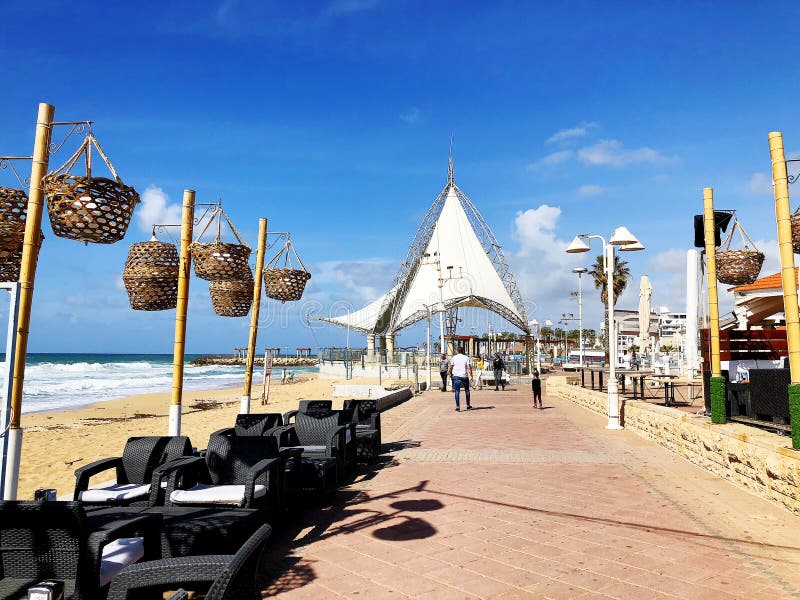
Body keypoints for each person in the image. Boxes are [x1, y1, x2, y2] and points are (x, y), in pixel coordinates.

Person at [448, 345, 473, 411]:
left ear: (457, 351)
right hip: (464, 376)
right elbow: (469, 367)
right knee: (467, 390)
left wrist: (450, 374)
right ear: (463, 351)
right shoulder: (466, 357)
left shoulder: (454, 358)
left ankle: (457, 406)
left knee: (457, 391)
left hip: (456, 376)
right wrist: (471, 375)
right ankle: (468, 405)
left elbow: (451, 367)